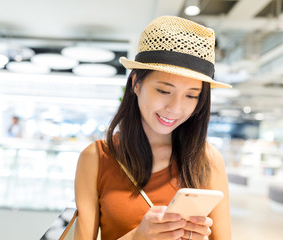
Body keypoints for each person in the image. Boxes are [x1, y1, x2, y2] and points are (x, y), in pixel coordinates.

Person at [74, 16, 232, 240]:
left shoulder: (207, 159)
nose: (175, 109)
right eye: (164, 91)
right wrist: (138, 236)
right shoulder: (96, 157)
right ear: (136, 83)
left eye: (191, 95)